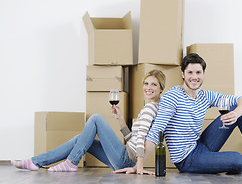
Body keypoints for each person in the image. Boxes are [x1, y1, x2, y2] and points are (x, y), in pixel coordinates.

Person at [145, 53, 242, 174]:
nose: (194, 77)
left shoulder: (205, 95)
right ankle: (236, 164)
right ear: (183, 74)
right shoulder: (172, 97)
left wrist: (235, 114)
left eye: (198, 72)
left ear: (203, 74)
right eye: (190, 72)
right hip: (186, 159)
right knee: (238, 160)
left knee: (241, 112)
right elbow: (156, 130)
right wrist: (138, 164)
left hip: (200, 145)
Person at [12, 69, 166, 175]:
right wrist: (120, 120)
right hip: (126, 159)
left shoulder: (150, 109)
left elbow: (140, 140)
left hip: (126, 159)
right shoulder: (151, 107)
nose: (148, 87)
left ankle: (72, 162)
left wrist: (138, 166)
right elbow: (133, 139)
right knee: (80, 139)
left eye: (154, 84)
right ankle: (36, 162)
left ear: (161, 88)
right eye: (146, 83)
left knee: (96, 118)